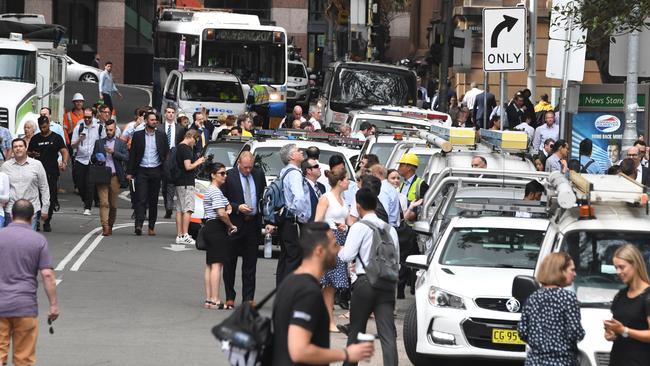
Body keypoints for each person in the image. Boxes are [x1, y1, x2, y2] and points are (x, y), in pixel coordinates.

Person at [271, 222, 374, 365]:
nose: (338, 249)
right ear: (319, 251)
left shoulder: (289, 282)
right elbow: (299, 351)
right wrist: (346, 353)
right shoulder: (308, 292)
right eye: (334, 245)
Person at [338, 188, 399, 366]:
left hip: (365, 283)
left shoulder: (359, 227)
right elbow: (397, 260)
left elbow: (347, 255)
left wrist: (338, 249)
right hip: (387, 283)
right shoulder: (390, 229)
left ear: (358, 206)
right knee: (388, 334)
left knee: (356, 330)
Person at [0, 200, 59, 366]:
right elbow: (47, 274)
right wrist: (53, 305)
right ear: (33, 217)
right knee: (23, 359)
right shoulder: (38, 240)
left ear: (12, 215)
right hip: (25, 306)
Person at [518, 252, 584, 366]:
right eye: (572, 270)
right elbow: (575, 333)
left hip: (535, 362)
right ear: (560, 271)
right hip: (562, 361)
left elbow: (522, 331)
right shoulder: (568, 298)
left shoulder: (532, 298)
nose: (575, 274)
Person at [220, 152, 266, 308]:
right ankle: (230, 297)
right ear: (238, 162)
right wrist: (237, 207)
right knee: (230, 262)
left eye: (250, 167)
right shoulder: (230, 175)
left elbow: (263, 196)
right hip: (235, 223)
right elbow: (222, 198)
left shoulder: (258, 175)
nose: (248, 170)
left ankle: (248, 298)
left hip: (253, 224)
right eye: (245, 167)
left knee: (250, 264)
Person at [314, 168, 350, 333]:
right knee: (324, 284)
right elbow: (317, 222)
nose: (349, 182)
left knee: (330, 286)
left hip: (340, 240)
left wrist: (344, 226)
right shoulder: (325, 198)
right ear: (340, 181)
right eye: (347, 179)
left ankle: (326, 320)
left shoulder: (343, 199)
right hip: (328, 241)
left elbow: (345, 219)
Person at [604, 244, 650, 366]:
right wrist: (611, 333)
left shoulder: (648, 296)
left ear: (635, 264)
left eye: (622, 267)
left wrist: (624, 330)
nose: (618, 272)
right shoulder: (620, 295)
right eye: (616, 267)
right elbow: (618, 328)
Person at [127, 112, 169, 236]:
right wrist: (129, 172)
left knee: (153, 200)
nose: (154, 121)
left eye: (155, 120)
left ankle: (151, 226)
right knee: (141, 198)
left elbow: (166, 153)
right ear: (146, 121)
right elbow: (133, 154)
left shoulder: (161, 136)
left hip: (156, 171)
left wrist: (164, 170)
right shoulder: (138, 135)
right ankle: (138, 225)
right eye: (151, 120)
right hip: (141, 170)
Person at [202, 163, 237, 310]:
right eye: (222, 173)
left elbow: (227, 206)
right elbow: (221, 212)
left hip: (210, 226)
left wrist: (228, 208)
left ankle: (209, 299)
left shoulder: (213, 190)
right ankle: (215, 300)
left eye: (225, 173)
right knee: (217, 265)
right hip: (216, 227)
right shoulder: (215, 191)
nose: (225, 176)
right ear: (213, 175)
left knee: (210, 264)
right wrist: (231, 225)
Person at [276, 144, 312, 285]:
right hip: (293, 221)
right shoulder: (295, 173)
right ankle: (289, 295)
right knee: (294, 258)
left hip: (284, 220)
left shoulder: (284, 171)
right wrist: (300, 215)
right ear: (291, 156)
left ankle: (281, 293)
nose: (302, 151)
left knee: (285, 257)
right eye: (298, 150)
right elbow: (299, 198)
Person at [28, 116, 69, 232]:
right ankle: (37, 220)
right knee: (37, 196)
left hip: (51, 171)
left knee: (50, 196)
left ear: (48, 124)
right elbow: (28, 152)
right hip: (37, 171)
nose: (43, 129)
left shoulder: (56, 137)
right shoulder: (35, 138)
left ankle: (47, 221)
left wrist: (64, 162)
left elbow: (64, 151)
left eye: (45, 127)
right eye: (41, 127)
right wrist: (32, 154)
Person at [1, 139, 49, 230]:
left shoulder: (37, 164)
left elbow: (44, 187)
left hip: (31, 210)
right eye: (15, 147)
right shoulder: (5, 166)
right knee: (11, 242)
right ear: (12, 150)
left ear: (26, 148)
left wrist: (45, 208)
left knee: (28, 241)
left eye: (21, 146)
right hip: (11, 210)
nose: (18, 149)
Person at [91, 120, 128, 236]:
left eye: (111, 130)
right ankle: (105, 226)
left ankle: (110, 224)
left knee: (113, 205)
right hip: (102, 175)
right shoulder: (99, 143)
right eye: (107, 130)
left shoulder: (121, 143)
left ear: (115, 129)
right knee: (104, 203)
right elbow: (92, 158)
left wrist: (113, 153)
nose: (108, 132)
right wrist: (97, 158)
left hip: (114, 176)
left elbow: (126, 157)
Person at [71, 107, 106, 215]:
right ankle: (85, 200)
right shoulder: (79, 127)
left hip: (93, 160)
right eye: (85, 117)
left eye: (89, 117)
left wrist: (101, 156)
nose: (87, 119)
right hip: (80, 159)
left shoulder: (99, 127)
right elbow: (72, 145)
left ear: (93, 116)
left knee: (90, 184)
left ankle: (88, 207)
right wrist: (79, 139)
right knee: (80, 184)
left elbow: (103, 142)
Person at [174, 129, 205, 244]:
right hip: (187, 182)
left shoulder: (179, 147)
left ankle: (180, 235)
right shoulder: (186, 149)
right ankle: (185, 234)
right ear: (191, 136)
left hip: (179, 181)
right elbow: (188, 166)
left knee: (179, 209)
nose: (195, 143)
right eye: (195, 140)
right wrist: (199, 161)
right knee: (188, 209)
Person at [158, 106, 185, 219]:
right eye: (168, 112)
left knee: (172, 183)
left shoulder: (180, 128)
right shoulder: (159, 128)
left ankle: (169, 207)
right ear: (165, 114)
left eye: (172, 112)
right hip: (162, 157)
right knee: (164, 185)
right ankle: (167, 205)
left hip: (175, 158)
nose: (170, 114)